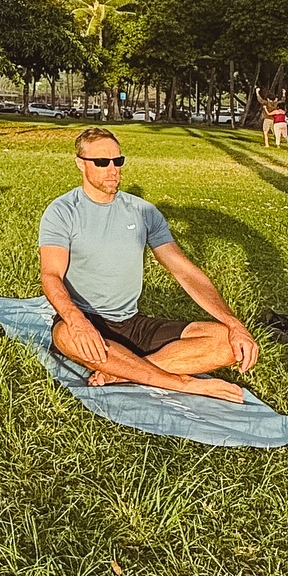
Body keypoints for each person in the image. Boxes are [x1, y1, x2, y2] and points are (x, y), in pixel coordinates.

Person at [38, 126, 259, 404]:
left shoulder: (143, 211)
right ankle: (181, 383)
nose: (113, 169)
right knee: (66, 337)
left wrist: (234, 323)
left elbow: (185, 271)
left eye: (118, 161)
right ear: (80, 164)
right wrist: (76, 319)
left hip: (131, 323)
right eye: (102, 162)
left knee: (228, 343)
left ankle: (124, 372)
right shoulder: (62, 211)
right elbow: (51, 275)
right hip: (84, 320)